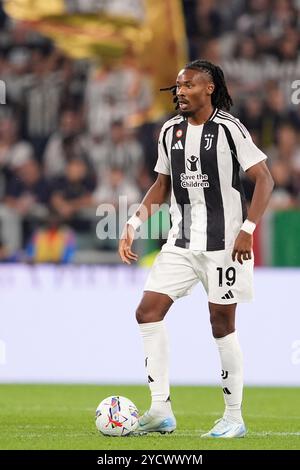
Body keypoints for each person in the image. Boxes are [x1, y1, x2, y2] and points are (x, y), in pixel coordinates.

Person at [118, 60, 274, 438]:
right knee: (147, 311)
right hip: (181, 242)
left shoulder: (229, 128)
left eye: (188, 85)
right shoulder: (169, 130)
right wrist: (133, 223)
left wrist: (248, 229)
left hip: (226, 246)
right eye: (177, 86)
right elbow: (161, 185)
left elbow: (264, 179)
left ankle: (233, 417)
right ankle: (159, 409)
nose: (180, 92)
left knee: (221, 324)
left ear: (208, 88)